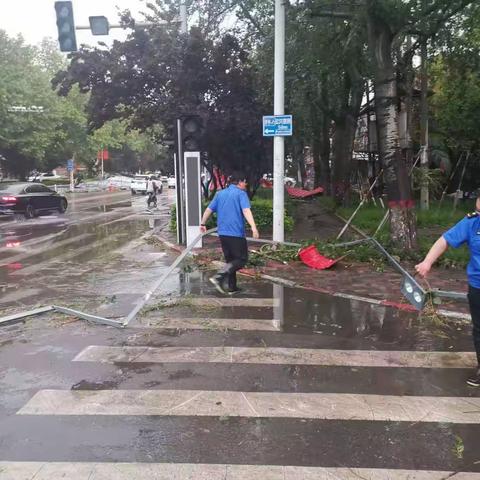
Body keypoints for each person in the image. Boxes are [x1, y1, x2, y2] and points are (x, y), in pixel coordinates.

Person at [415, 193, 480, 387]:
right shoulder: (471, 223)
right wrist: (427, 262)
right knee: (479, 329)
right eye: (478, 210)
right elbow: (444, 240)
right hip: (477, 286)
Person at [200, 171, 259, 295]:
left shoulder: (220, 194)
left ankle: (232, 287)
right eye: (244, 182)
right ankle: (219, 276)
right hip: (235, 233)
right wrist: (253, 227)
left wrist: (202, 224)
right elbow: (246, 211)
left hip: (223, 233)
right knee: (241, 259)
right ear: (239, 182)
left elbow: (208, 210)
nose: (246, 184)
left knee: (231, 261)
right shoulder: (241, 194)